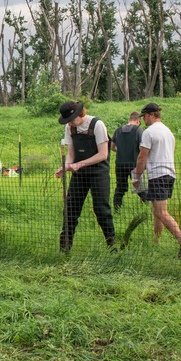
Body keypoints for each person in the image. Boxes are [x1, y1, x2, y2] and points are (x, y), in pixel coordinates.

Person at [55, 101, 116, 253]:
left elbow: (103, 155)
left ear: (79, 114)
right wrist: (66, 166)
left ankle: (112, 246)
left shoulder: (97, 124)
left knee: (101, 209)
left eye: (71, 120)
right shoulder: (69, 128)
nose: (69, 124)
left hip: (98, 171)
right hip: (79, 173)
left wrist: (79, 164)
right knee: (70, 209)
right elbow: (71, 155)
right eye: (67, 121)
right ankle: (64, 249)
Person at [132, 102, 181, 258]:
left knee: (162, 212)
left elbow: (142, 157)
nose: (144, 120)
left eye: (144, 117)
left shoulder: (149, 132)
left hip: (158, 175)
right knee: (156, 210)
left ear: (151, 115)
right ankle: (156, 241)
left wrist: (137, 176)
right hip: (169, 174)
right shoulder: (167, 131)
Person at [111, 111, 143, 212]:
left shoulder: (118, 130)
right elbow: (143, 147)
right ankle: (148, 206)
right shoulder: (138, 130)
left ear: (129, 119)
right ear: (138, 121)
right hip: (134, 164)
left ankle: (116, 209)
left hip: (120, 164)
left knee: (120, 187)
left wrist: (120, 151)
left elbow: (112, 147)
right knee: (139, 187)